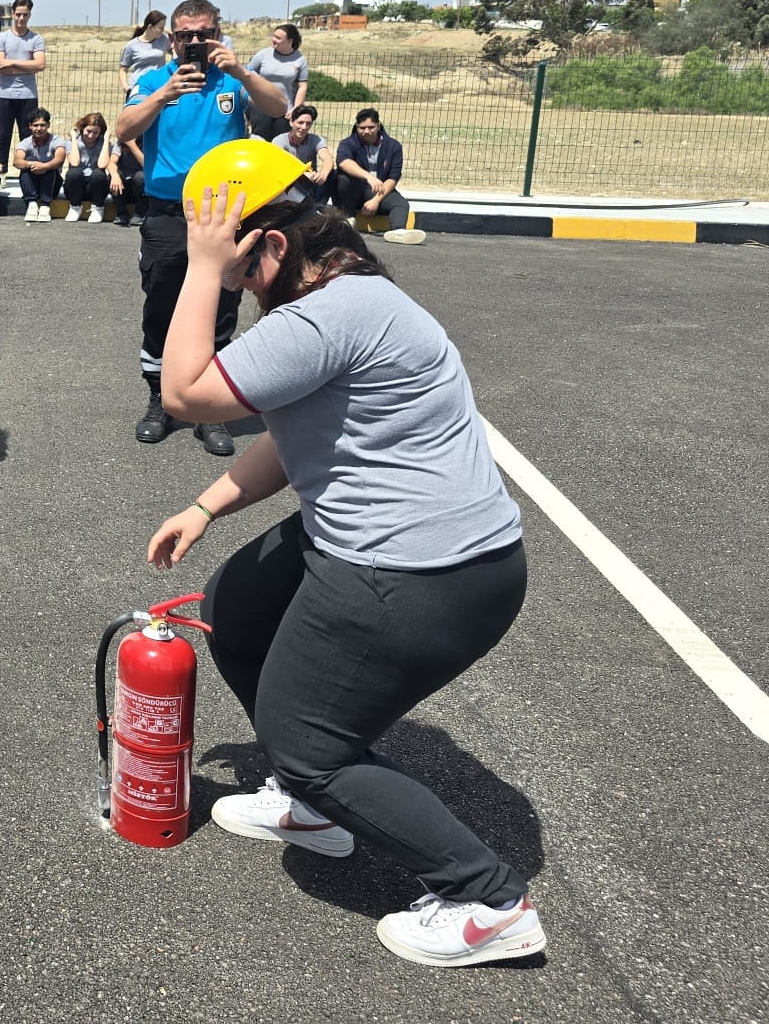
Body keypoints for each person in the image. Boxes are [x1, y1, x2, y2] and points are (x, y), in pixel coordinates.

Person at [146, 139, 540, 970]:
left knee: (310, 746)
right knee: (238, 608)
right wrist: (205, 505)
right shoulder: (344, 296)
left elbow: (184, 393)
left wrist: (200, 270)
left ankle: (486, 898)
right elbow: (307, 437)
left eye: (241, 268)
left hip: (421, 571)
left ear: (275, 245)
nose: (239, 284)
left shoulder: (333, 313)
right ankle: (311, 806)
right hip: (392, 541)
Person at [111, 0, 288, 456]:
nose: (194, 42)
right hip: (169, 213)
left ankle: (213, 410)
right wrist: (164, 95)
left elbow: (279, 107)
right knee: (162, 306)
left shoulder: (233, 79)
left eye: (203, 33)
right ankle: (160, 399)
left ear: (218, 34)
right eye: (185, 35)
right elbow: (124, 128)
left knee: (222, 308)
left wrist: (246, 73)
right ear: (171, 39)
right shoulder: (153, 80)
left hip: (225, 214)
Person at [333, 108, 425, 244]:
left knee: (401, 204)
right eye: (362, 128)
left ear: (379, 126)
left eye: (371, 127)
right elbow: (343, 162)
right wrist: (368, 177)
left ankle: (397, 232)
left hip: (380, 191)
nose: (366, 131)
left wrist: (376, 200)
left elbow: (393, 177)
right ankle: (348, 220)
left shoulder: (393, 146)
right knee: (342, 179)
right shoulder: (348, 143)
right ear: (356, 127)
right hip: (355, 192)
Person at [0, 0, 46, 166]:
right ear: (12, 14)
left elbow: (40, 64)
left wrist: (12, 62)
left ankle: (27, 170)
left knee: (28, 136)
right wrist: (28, 66)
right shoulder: (2, 38)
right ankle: (1, 170)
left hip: (28, 95)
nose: (21, 18)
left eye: (25, 15)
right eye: (18, 14)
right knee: (3, 134)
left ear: (30, 15)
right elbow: (0, 66)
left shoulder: (36, 39)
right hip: (4, 94)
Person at [247, 24, 310, 140]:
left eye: (278, 38)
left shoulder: (299, 59)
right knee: (261, 143)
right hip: (261, 108)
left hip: (286, 111)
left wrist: (296, 109)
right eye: (274, 36)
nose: (273, 40)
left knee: (281, 144)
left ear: (290, 41)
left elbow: (302, 86)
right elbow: (247, 72)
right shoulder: (264, 54)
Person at [10, 106, 66, 223]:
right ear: (30, 126)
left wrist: (44, 166)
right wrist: (31, 164)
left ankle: (45, 206)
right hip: (33, 184)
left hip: (52, 185)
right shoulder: (26, 142)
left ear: (48, 125)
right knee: (27, 161)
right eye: (35, 125)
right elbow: (16, 161)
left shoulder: (57, 141)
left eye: (42, 125)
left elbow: (60, 160)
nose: (39, 128)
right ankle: (32, 205)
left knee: (50, 163)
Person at [61, 113, 115, 225]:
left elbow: (102, 165)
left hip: (95, 188)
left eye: (96, 133)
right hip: (76, 188)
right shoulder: (72, 142)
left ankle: (98, 207)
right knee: (74, 172)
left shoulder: (104, 143)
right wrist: (74, 140)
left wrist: (105, 140)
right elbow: (74, 163)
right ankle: (75, 207)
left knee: (99, 174)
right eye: (88, 131)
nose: (91, 136)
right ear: (82, 128)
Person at [271, 104, 330, 195]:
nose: (304, 127)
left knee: (332, 174)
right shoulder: (279, 141)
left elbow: (327, 158)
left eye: (308, 124)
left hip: (310, 180)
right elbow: (278, 165)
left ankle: (318, 205)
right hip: (288, 181)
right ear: (291, 122)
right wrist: (302, 174)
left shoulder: (316, 140)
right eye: (300, 123)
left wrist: (323, 173)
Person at [120, 10, 169, 99]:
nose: (163, 30)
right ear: (150, 27)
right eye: (160, 27)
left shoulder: (164, 39)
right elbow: (123, 69)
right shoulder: (131, 45)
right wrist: (126, 88)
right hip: (138, 89)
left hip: (159, 87)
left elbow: (174, 50)